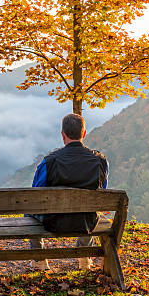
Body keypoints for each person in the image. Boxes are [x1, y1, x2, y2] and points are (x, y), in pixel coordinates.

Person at [28, 113, 109, 271]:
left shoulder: (49, 162)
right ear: (84, 133)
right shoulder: (100, 161)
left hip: (53, 222)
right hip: (86, 221)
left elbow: (35, 196)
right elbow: (102, 191)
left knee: (30, 209)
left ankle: (39, 260)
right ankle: (84, 258)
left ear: (63, 134)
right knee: (90, 209)